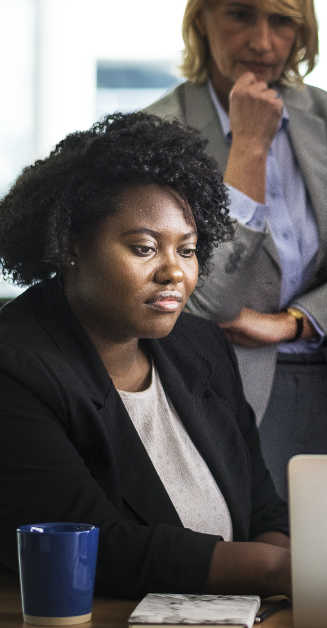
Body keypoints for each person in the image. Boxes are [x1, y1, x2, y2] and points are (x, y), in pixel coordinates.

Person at [0, 112, 290, 598]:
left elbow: (262, 503)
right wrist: (272, 572)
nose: (173, 272)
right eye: (144, 248)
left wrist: (278, 588)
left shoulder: (201, 346)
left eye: (189, 250)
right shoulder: (16, 367)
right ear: (71, 247)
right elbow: (94, 548)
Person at [146, 0, 327, 501]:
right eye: (241, 15)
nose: (263, 42)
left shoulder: (322, 115)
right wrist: (248, 146)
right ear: (201, 19)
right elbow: (202, 301)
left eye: (282, 21)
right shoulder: (156, 135)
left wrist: (297, 320)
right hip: (225, 391)